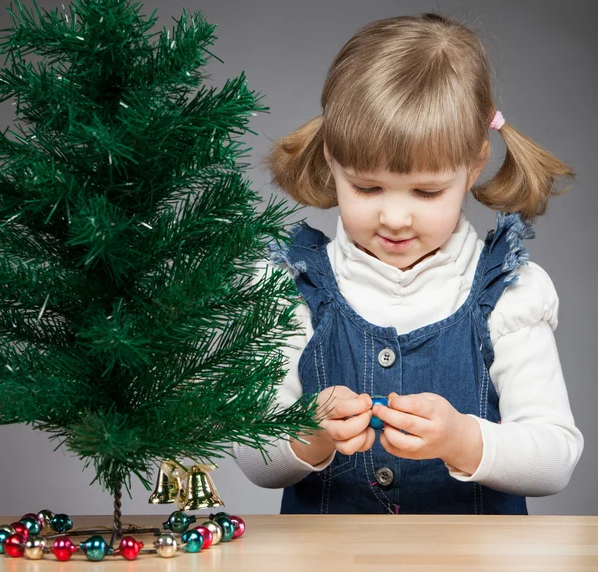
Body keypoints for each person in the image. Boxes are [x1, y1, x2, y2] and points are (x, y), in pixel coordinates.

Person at [233, 13, 584, 514]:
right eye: (367, 186)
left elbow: (556, 459)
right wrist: (308, 432)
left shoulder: (509, 292)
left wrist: (463, 439)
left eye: (426, 191)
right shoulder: (292, 285)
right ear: (332, 160)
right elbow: (252, 458)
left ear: (474, 164)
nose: (395, 217)